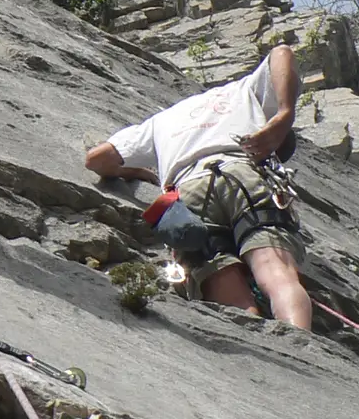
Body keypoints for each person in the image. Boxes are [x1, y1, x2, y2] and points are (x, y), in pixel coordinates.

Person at [84, 45, 313, 329]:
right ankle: (300, 343)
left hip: (188, 191)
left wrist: (134, 171)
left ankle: (255, 338)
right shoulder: (243, 89)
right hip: (243, 174)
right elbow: (282, 52)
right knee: (277, 274)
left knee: (222, 283)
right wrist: (285, 114)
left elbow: (96, 159)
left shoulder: (158, 122)